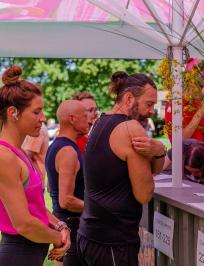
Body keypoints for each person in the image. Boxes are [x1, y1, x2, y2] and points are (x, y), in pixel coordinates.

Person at [77, 71, 166, 266]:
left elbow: (156, 168)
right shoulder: (130, 128)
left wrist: (159, 150)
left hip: (89, 233)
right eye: (148, 104)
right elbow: (144, 194)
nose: (152, 111)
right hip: (113, 241)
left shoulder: (99, 121)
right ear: (128, 98)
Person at [0, 65, 70, 265]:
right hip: (17, 254)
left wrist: (60, 226)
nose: (43, 118)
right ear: (13, 112)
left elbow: (36, 207)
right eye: (36, 112)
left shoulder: (19, 152)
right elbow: (24, 223)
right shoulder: (2, 156)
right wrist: (59, 239)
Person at [46, 100, 91, 266]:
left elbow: (52, 187)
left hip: (68, 225)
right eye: (85, 116)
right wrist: (100, 208)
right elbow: (66, 200)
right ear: (72, 119)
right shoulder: (67, 151)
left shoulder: (58, 146)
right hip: (72, 227)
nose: (89, 120)